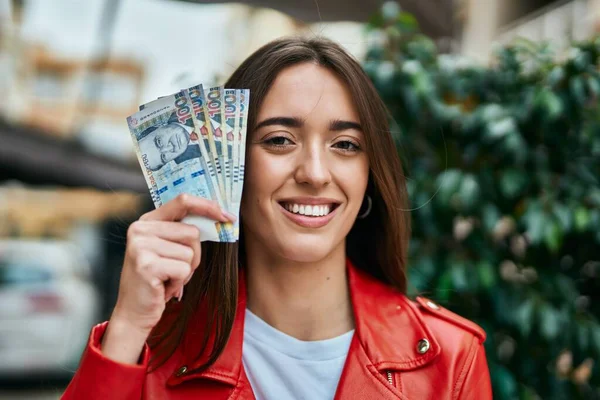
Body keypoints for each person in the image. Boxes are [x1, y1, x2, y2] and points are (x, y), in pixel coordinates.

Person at [62, 37, 492, 400]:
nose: (315, 173)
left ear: (369, 176)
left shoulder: (450, 358)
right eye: (280, 140)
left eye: (345, 145)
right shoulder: (149, 350)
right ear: (228, 164)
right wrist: (128, 328)